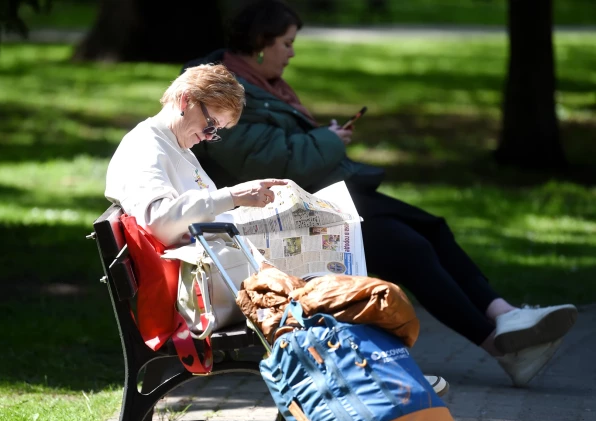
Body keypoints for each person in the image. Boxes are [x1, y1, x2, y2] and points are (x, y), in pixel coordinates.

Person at [185, 0, 578, 387]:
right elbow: (266, 163)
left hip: (315, 198)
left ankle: (504, 315)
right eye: (286, 43)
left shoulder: (258, 82)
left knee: (431, 229)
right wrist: (328, 139)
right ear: (260, 42)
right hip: (284, 216)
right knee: (409, 246)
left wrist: (323, 139)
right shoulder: (225, 89)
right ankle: (501, 344)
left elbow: (278, 147)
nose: (291, 53)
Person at [104, 63, 450, 396]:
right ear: (185, 101)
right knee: (327, 295)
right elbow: (158, 218)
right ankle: (381, 382)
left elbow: (195, 214)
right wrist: (234, 196)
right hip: (204, 290)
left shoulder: (174, 143)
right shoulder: (146, 148)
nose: (208, 137)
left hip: (220, 273)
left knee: (335, 279)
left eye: (216, 132)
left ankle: (379, 379)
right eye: (211, 125)